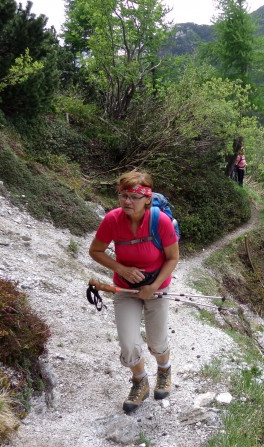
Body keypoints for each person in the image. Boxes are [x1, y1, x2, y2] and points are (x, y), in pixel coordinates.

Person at [88, 171, 179, 413]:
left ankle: (164, 369)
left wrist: (153, 286)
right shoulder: (112, 220)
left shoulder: (161, 222)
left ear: (147, 199)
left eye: (134, 197)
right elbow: (95, 251)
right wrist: (121, 269)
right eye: (123, 195)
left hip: (157, 286)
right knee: (128, 343)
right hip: (125, 288)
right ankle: (140, 382)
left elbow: (172, 258)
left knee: (157, 340)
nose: (127, 201)